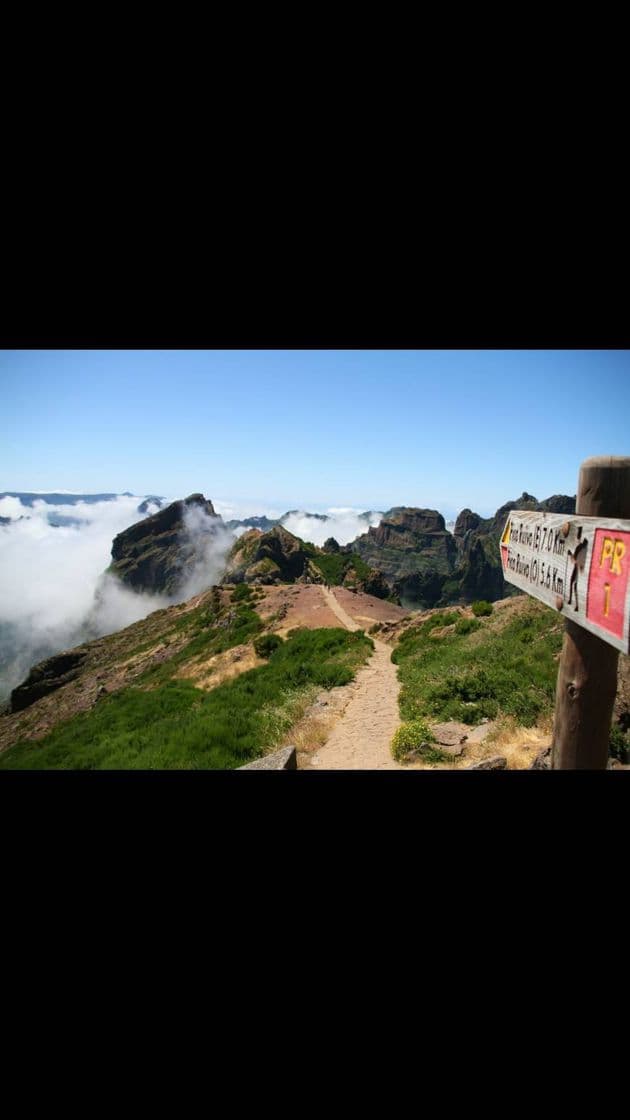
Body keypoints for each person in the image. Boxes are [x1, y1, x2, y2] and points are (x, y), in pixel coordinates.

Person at [567, 527, 588, 611]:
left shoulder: (580, 548)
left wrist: (570, 554)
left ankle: (575, 604)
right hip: (579, 568)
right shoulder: (582, 547)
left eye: (578, 533)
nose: (577, 536)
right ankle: (573, 602)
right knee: (573, 584)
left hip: (577, 568)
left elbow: (574, 560)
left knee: (573, 584)